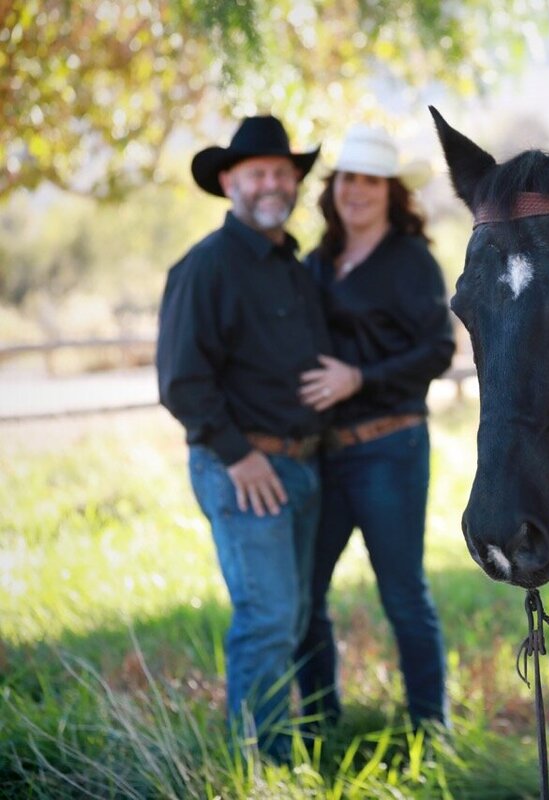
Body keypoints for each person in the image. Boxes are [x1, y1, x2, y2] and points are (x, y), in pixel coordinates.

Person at [156, 115, 328, 763]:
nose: (271, 183)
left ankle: (295, 741)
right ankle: (263, 764)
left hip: (304, 466)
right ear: (229, 181)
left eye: (283, 172)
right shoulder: (206, 267)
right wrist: (239, 455)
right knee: (268, 619)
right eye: (257, 172)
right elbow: (182, 382)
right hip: (244, 468)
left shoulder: (294, 266)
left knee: (298, 615)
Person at [294, 124, 455, 731]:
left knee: (402, 593)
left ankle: (429, 726)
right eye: (347, 179)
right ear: (333, 189)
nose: (356, 191)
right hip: (324, 454)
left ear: (391, 191)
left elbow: (438, 350)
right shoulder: (318, 262)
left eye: (370, 180)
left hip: (390, 447)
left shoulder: (411, 260)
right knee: (305, 596)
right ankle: (317, 721)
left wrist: (358, 378)